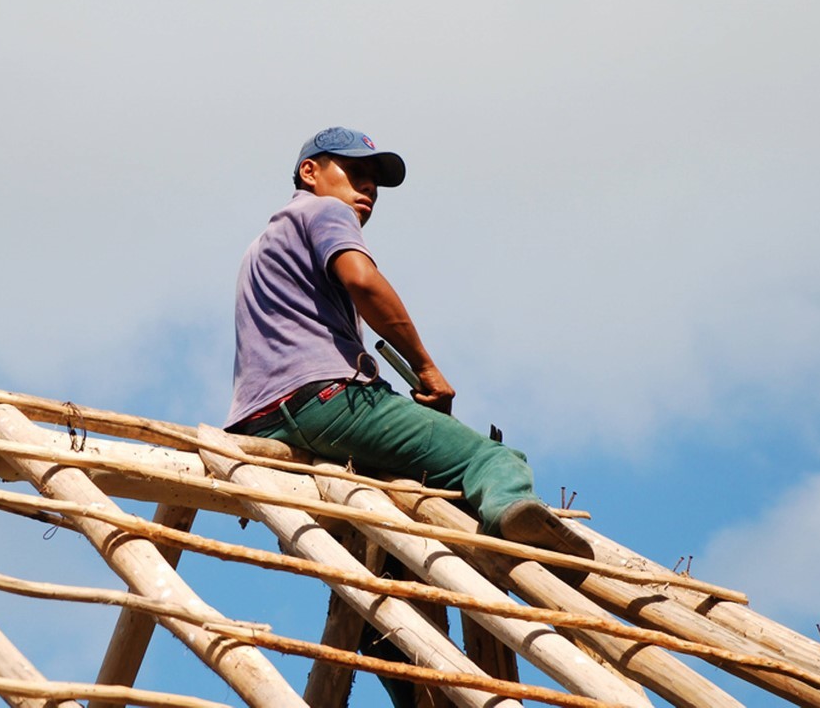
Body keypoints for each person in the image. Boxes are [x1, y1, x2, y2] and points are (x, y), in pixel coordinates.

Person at [225, 126, 592, 567]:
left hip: (261, 421)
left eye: (374, 182)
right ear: (309, 171)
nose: (368, 188)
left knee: (397, 502)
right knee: (489, 458)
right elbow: (363, 280)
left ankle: (387, 605)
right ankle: (515, 525)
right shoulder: (325, 211)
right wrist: (425, 367)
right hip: (327, 402)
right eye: (354, 171)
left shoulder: (263, 244)